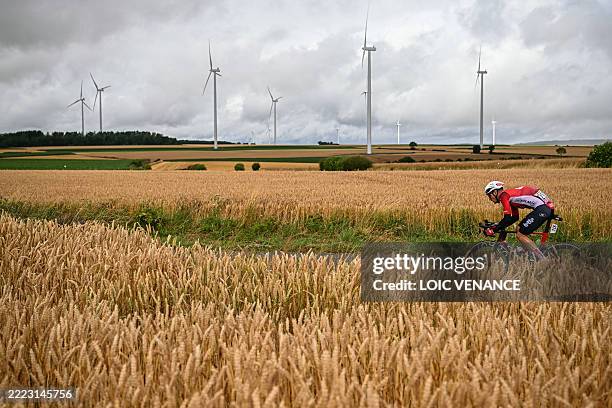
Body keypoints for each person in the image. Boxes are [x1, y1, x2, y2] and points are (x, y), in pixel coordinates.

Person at [483, 181, 555, 260]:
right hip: (546, 208)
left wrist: (494, 229)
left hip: (542, 209)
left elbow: (507, 218)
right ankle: (530, 254)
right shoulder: (510, 196)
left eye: (489, 196)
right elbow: (514, 217)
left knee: (520, 234)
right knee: (518, 228)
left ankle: (543, 260)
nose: (490, 199)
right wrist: (498, 225)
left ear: (494, 192)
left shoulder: (504, 196)